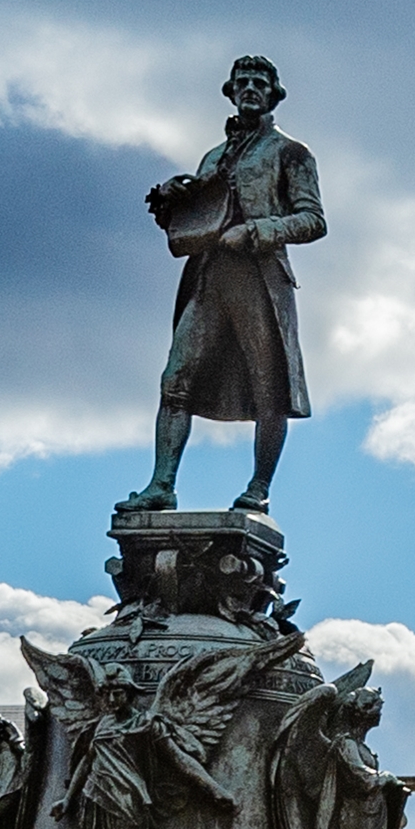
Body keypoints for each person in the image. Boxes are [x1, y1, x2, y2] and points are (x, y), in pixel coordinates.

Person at [136, 54, 324, 509]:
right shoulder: (213, 156)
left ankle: (258, 491)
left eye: (261, 81)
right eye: (243, 81)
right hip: (209, 276)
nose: (251, 88)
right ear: (231, 90)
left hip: (259, 277)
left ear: (275, 93)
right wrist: (177, 200)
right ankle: (161, 486)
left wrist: (258, 231)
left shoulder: (290, 153)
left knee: (269, 388)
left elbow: (313, 220)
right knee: (175, 379)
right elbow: (205, 215)